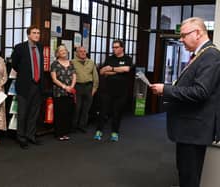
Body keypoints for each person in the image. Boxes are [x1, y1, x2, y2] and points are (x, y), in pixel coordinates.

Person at [150, 17, 220, 187]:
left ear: (197, 33)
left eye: (183, 35)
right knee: (185, 173)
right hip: (190, 128)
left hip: (194, 129)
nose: (180, 39)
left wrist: (165, 90)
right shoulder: (201, 55)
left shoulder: (211, 55)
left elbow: (200, 92)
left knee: (189, 177)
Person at [11, 25, 44, 149]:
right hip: (25, 85)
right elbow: (14, 65)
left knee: (34, 113)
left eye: (38, 33)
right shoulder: (20, 47)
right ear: (28, 35)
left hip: (38, 85)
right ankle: (21, 137)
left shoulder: (40, 47)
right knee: (23, 113)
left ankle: (31, 136)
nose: (37, 35)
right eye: (34, 33)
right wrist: (25, 74)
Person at [94, 40, 133, 141]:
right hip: (107, 90)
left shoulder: (127, 58)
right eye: (113, 47)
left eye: (116, 47)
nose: (114, 49)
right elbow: (102, 71)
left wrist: (111, 68)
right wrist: (117, 70)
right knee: (103, 111)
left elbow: (127, 69)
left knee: (117, 113)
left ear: (122, 48)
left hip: (121, 92)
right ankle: (99, 131)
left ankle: (115, 133)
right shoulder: (109, 58)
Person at [50, 45, 76, 141]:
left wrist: (71, 87)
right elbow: (54, 79)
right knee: (59, 112)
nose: (63, 52)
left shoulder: (71, 63)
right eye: (61, 50)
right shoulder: (54, 64)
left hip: (70, 92)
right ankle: (59, 133)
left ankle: (65, 132)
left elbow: (74, 76)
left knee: (68, 112)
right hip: (59, 92)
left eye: (64, 50)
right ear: (57, 53)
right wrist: (65, 87)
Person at [71, 46, 99, 133]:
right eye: (80, 51)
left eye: (84, 51)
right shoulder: (72, 62)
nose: (83, 53)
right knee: (77, 108)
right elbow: (70, 76)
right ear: (77, 53)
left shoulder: (91, 62)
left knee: (86, 108)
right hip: (77, 87)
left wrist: (95, 88)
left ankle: (82, 126)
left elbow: (95, 76)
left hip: (88, 87)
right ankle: (74, 126)